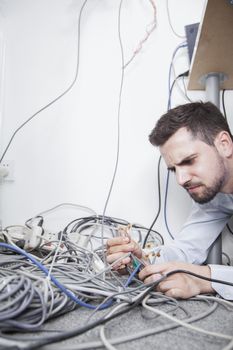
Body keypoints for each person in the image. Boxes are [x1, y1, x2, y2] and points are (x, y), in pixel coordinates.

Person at [107, 101, 233, 300]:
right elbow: (186, 249)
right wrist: (143, 258)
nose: (181, 180)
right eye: (174, 169)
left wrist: (204, 279)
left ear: (224, 145)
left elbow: (199, 275)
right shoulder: (214, 194)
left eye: (189, 160)